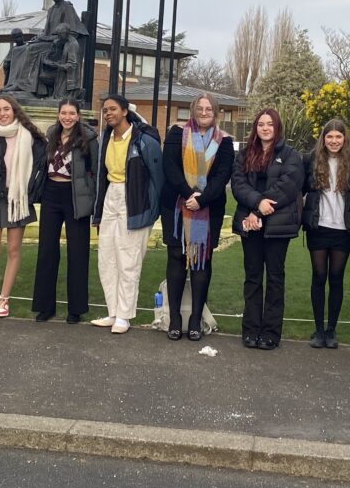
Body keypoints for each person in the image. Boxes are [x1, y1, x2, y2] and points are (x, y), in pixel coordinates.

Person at [160, 92, 235, 341]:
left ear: (216, 113)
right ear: (193, 110)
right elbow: (169, 167)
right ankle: (175, 319)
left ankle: (195, 319)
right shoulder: (176, 134)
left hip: (208, 208)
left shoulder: (224, 142)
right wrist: (188, 193)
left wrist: (201, 198)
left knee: (202, 260)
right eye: (200, 108)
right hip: (176, 205)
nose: (204, 113)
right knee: (176, 257)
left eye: (209, 109)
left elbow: (222, 175)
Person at [231, 108, 304, 351]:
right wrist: (255, 204)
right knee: (252, 278)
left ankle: (271, 332)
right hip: (250, 226)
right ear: (255, 128)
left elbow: (289, 186)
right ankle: (250, 329)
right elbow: (238, 185)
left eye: (269, 124)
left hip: (277, 227)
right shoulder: (244, 155)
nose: (265, 128)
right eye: (261, 124)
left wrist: (259, 210)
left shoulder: (291, 155)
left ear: (277, 127)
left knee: (274, 278)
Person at [91, 95, 163, 334]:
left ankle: (124, 314)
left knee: (128, 259)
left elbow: (157, 178)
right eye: (105, 110)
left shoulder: (143, 140)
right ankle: (113, 311)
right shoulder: (105, 139)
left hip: (134, 200)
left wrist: (150, 210)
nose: (108, 113)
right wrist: (99, 211)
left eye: (112, 109)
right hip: (111, 196)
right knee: (107, 258)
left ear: (124, 111)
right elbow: (102, 175)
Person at [0, 95, 46, 319]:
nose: (3, 113)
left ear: (15, 110)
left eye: (7, 109)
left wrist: (30, 188)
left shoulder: (29, 136)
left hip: (16, 200)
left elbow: (40, 164)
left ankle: (4, 299)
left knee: (14, 250)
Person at [32, 98, 99, 323]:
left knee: (78, 253)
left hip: (76, 197)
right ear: (59, 114)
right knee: (47, 250)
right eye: (64, 113)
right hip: (51, 193)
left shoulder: (88, 139)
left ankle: (76, 309)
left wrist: (95, 202)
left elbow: (96, 171)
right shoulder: (51, 134)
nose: (67, 117)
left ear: (78, 116)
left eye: (71, 113)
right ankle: (45, 306)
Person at [302, 118, 350, 349]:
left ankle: (331, 330)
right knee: (319, 277)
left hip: (342, 229)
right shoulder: (311, 159)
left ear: (344, 139)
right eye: (330, 136)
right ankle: (318, 330)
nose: (334, 141)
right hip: (318, 227)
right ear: (323, 139)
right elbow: (300, 189)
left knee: (336, 278)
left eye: (338, 136)